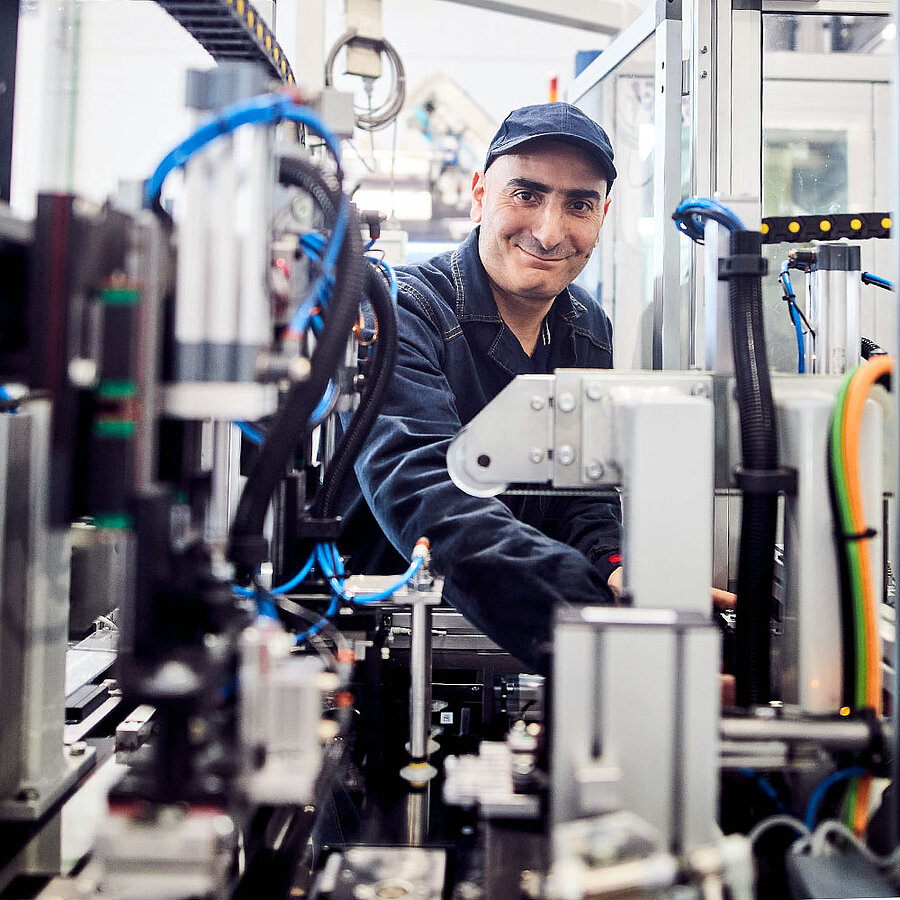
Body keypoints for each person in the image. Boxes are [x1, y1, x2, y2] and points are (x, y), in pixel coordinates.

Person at [337, 102, 624, 674]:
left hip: (520, 646)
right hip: (387, 647)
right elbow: (426, 491)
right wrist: (596, 621)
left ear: (603, 215)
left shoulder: (586, 328)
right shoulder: (399, 309)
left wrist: (618, 565)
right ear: (479, 194)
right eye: (526, 194)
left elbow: (583, 492)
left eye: (579, 205)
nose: (549, 231)